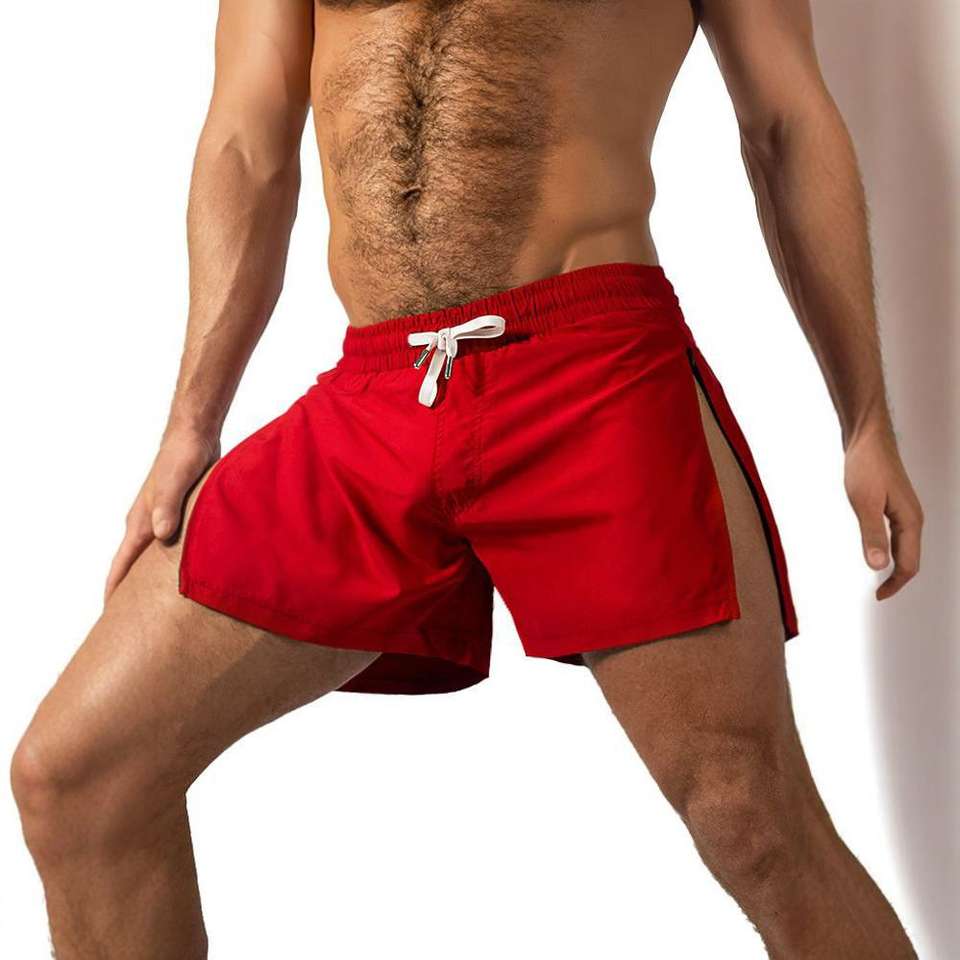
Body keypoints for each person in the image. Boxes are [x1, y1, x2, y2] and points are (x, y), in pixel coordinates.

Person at [11, 1, 924, 957]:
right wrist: (190, 425)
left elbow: (784, 122)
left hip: (590, 373)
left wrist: (863, 420)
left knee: (752, 818)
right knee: (78, 781)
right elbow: (247, 140)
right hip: (378, 392)